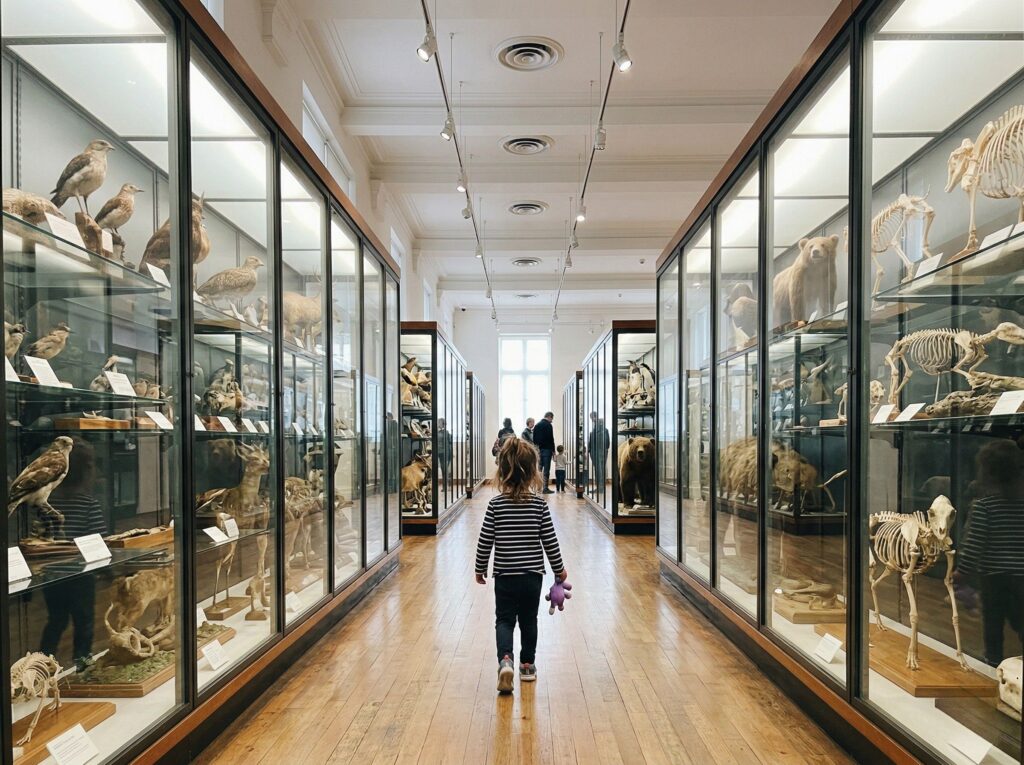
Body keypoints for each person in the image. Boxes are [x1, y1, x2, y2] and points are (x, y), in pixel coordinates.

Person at [475, 438, 566, 694]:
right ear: (533, 471)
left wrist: (480, 567)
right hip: (532, 576)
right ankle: (527, 665)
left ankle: (506, 661)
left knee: (504, 620)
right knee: (529, 620)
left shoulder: (495, 505)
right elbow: (550, 541)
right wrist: (559, 570)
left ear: (502, 471)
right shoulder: (539, 505)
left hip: (505, 575)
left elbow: (485, 540)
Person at [957, 439, 1024, 666]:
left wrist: (962, 571)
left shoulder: (984, 507)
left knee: (993, 624)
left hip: (994, 578)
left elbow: (975, 543)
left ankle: (993, 662)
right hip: (1021, 577)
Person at [39, 437, 106, 667]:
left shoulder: (50, 501)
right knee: (84, 620)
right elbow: (99, 538)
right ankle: (82, 662)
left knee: (56, 620)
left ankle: (43, 663)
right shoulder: (88, 504)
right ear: (87, 470)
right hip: (81, 574)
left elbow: (39, 536)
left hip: (52, 573)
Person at [532, 412, 555, 494]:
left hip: (538, 450)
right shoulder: (548, 425)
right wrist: (553, 451)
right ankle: (545, 488)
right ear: (549, 417)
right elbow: (551, 439)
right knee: (546, 470)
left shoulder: (537, 425)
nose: (551, 421)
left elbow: (534, 439)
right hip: (547, 450)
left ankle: (538, 488)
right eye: (552, 419)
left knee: (539, 469)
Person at [587, 411, 609, 491]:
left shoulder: (599, 428)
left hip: (598, 451)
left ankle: (600, 488)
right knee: (600, 469)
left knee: (599, 470)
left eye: (592, 417)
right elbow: (607, 442)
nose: (591, 420)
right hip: (600, 451)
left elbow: (605, 441)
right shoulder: (601, 428)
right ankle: (600, 487)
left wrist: (590, 449)